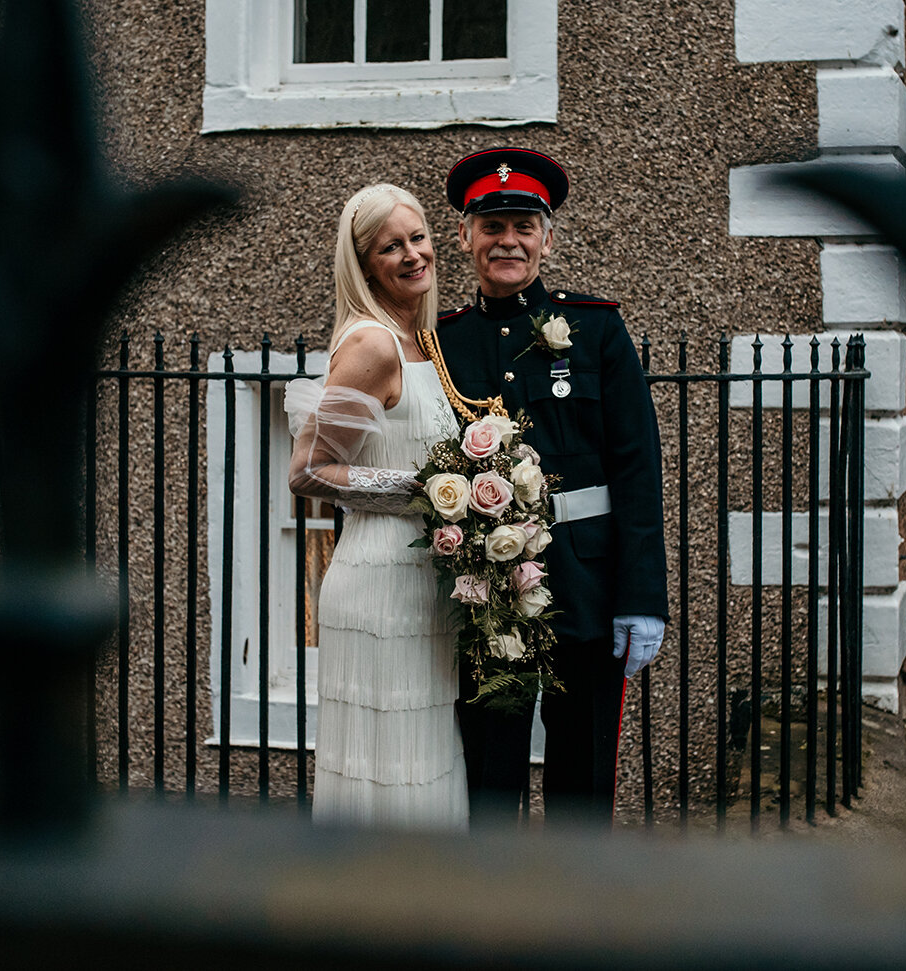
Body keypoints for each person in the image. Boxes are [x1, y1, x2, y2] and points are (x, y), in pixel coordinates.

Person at [427, 147, 669, 825]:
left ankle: (577, 918)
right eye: (493, 224)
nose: (508, 240)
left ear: (547, 237)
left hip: (586, 588)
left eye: (523, 226)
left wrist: (642, 595)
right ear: (465, 235)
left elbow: (637, 469)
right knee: (489, 776)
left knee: (583, 779)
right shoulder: (442, 342)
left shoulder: (596, 329)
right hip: (486, 596)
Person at [286, 184, 468, 830]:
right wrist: (428, 489)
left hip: (425, 582)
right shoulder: (372, 344)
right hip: (379, 584)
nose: (414, 254)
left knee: (423, 759)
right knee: (387, 768)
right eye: (392, 246)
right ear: (365, 266)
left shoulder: (421, 340)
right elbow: (307, 471)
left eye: (418, 237)